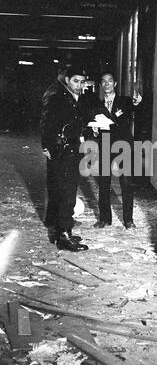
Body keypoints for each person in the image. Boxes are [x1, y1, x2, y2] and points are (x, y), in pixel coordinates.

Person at [40, 63, 89, 252]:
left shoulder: (69, 95)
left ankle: (62, 230)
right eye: (76, 81)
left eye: (82, 82)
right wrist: (47, 146)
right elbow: (47, 123)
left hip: (70, 149)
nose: (79, 85)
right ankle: (63, 236)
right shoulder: (58, 96)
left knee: (64, 191)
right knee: (67, 193)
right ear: (67, 80)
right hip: (65, 151)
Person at [91, 72, 142, 229]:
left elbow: (138, 110)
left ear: (115, 84)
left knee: (126, 183)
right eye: (104, 81)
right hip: (105, 144)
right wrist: (94, 130)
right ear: (101, 85)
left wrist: (139, 103)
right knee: (104, 183)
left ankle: (128, 220)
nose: (107, 84)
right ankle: (104, 218)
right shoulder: (97, 105)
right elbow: (92, 124)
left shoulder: (125, 101)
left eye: (110, 81)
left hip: (123, 146)